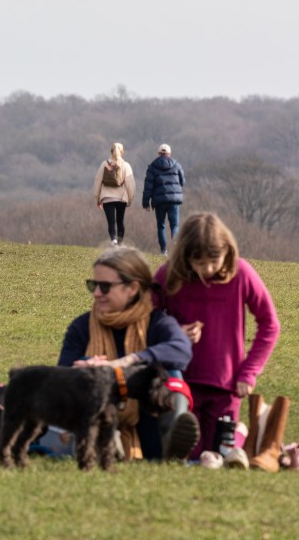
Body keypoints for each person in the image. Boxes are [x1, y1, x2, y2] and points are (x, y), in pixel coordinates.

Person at [153, 213, 283, 469]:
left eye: (214, 261)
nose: (208, 269)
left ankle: (240, 434)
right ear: (185, 257)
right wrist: (176, 331)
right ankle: (240, 435)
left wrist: (249, 372)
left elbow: (270, 324)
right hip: (180, 381)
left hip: (226, 384)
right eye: (199, 263)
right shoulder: (168, 275)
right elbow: (146, 318)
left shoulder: (242, 273)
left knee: (217, 456)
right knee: (190, 454)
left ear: (227, 251)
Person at [58, 246, 199, 461]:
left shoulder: (156, 322)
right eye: (93, 285)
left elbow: (181, 350)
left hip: (147, 418)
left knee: (171, 373)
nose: (96, 293)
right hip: (95, 411)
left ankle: (172, 441)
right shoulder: (81, 327)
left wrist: (132, 360)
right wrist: (86, 366)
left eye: (105, 287)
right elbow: (62, 371)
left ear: (132, 288)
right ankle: (102, 440)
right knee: (78, 380)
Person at [142, 143, 185, 255]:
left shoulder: (152, 167)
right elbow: (182, 182)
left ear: (159, 153)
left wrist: (146, 203)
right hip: (173, 200)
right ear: (169, 153)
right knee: (174, 225)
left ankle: (163, 251)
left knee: (161, 225)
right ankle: (176, 249)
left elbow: (148, 186)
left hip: (159, 201)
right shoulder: (177, 165)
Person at [93, 142, 135, 245]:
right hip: (121, 198)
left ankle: (113, 240)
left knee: (111, 222)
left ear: (111, 151)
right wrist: (130, 199)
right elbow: (130, 184)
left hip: (107, 198)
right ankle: (120, 243)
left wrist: (97, 199)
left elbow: (98, 182)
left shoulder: (104, 164)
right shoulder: (125, 165)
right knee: (120, 221)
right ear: (122, 152)